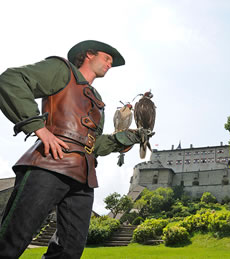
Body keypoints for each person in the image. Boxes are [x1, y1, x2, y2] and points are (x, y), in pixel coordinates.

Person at [0, 40, 150, 258]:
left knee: (70, 251)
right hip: (49, 163)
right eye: (107, 58)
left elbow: (92, 143)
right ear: (89, 54)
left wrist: (127, 138)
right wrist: (38, 129)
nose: (110, 64)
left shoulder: (97, 101)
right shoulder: (62, 70)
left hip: (83, 177)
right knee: (13, 239)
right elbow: (11, 81)